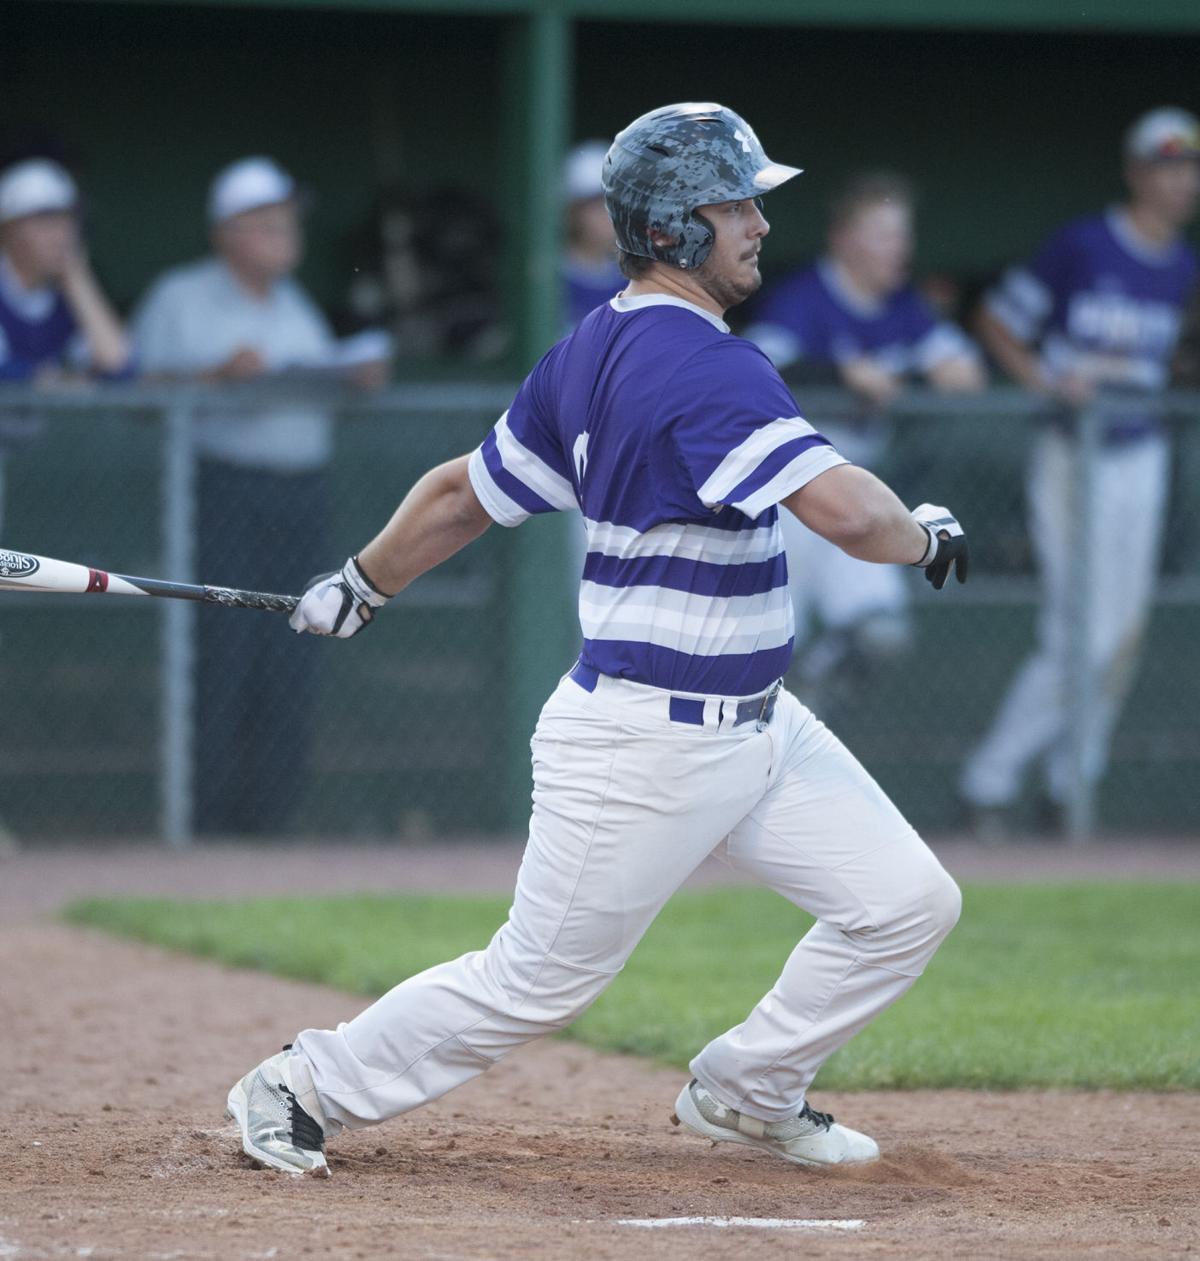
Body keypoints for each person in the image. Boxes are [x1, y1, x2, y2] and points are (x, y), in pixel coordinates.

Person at [225, 103, 967, 1178]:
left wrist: (358, 584)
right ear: (675, 225)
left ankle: (750, 1088)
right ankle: (302, 1082)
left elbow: (457, 496)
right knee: (536, 980)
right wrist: (926, 533)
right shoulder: (709, 369)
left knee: (905, 904)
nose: (759, 221)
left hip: (760, 730)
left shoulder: (589, 349)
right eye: (736, 203)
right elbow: (850, 514)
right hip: (643, 744)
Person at [959, 107, 1200, 833]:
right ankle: (991, 779)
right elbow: (998, 321)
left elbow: (1178, 361)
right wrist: (1042, 381)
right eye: (1165, 166)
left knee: (1122, 637)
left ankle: (1068, 784)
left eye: (1187, 167)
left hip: (1142, 449)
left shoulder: (1185, 267)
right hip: (1074, 451)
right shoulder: (1084, 245)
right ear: (1136, 172)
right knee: (1084, 633)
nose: (1178, 181)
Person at [132, 156, 388, 836]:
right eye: (264, 221)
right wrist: (216, 376)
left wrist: (353, 379)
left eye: (286, 219)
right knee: (222, 652)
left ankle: (271, 824)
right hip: (221, 493)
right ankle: (204, 820)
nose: (284, 231)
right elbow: (132, 394)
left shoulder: (296, 306)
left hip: (300, 496)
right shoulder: (181, 295)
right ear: (227, 231)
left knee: (295, 644)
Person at [745, 172, 983, 708]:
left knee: (880, 633)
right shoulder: (804, 296)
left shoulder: (905, 308)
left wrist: (911, 378)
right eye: (883, 234)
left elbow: (966, 376)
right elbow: (757, 369)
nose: (898, 248)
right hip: (792, 494)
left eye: (902, 235)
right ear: (845, 238)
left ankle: (800, 701)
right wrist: (841, 375)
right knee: (773, 645)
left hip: (862, 488)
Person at [0, 155, 132, 853]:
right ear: (10, 229)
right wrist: (39, 382)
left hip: (46, 506)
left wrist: (76, 277)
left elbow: (119, 369)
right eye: (44, 221)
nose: (59, 234)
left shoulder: (60, 299)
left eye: (66, 221)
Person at [561, 140, 625, 332]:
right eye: (597, 205)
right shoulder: (549, 277)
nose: (608, 216)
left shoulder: (633, 280)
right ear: (573, 211)